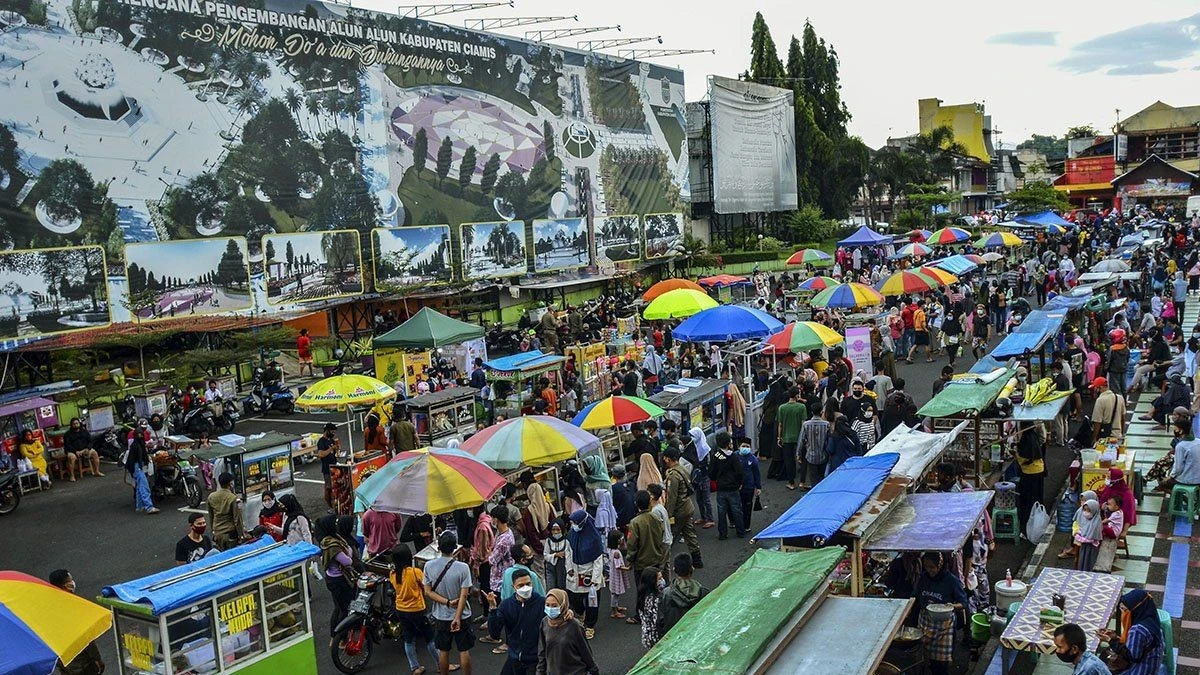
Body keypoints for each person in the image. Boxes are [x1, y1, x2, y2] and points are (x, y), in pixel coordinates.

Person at [423, 532, 474, 675]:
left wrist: (447, 602)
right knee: (464, 650)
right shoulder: (463, 567)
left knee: (443, 650)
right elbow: (464, 595)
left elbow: (428, 592)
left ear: (439, 547)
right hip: (462, 615)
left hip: (441, 615)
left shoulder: (429, 566)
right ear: (454, 548)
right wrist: (457, 617)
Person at [389, 546, 441, 675]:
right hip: (417, 610)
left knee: (409, 639)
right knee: (430, 638)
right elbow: (426, 586)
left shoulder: (392, 574)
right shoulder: (414, 572)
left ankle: (414, 667)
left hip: (401, 609)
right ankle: (441, 664)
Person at [914, 551, 967, 675]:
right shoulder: (923, 578)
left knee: (940, 665)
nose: (929, 570)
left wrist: (952, 606)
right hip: (925, 622)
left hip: (944, 626)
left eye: (932, 567)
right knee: (925, 659)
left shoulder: (951, 581)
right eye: (926, 567)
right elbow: (915, 595)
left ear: (940, 565)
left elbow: (963, 602)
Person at [486, 568, 544, 674]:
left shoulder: (542, 603)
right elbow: (494, 633)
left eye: (528, 584)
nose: (525, 588)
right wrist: (493, 609)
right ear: (513, 587)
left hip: (536, 661)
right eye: (521, 585)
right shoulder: (506, 605)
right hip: (514, 658)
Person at [48, 569, 105, 675]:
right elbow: (85, 636)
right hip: (82, 664)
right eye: (70, 580)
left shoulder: (49, 605)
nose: (72, 583)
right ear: (64, 585)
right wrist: (97, 659)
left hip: (64, 662)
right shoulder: (72, 605)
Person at [1097, 590, 1164, 675]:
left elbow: (1131, 657)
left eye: (1125, 610)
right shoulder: (1151, 618)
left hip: (1140, 670)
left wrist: (1111, 641)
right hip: (1153, 664)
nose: (1123, 613)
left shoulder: (1137, 630)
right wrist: (1115, 638)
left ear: (1135, 610)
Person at [537, 588, 600, 675]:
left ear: (562, 605)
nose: (550, 608)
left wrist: (594, 670)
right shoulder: (544, 623)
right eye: (547, 605)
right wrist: (540, 672)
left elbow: (585, 651)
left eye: (554, 605)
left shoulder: (574, 625)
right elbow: (542, 651)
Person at [564, 509, 605, 639]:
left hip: (590, 572)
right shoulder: (571, 535)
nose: (573, 525)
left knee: (592, 602)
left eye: (575, 523)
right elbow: (568, 552)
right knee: (575, 599)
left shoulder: (594, 538)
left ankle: (590, 625)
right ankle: (580, 615)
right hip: (575, 571)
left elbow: (598, 560)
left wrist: (595, 578)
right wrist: (569, 568)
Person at [626, 491, 665, 624]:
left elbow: (632, 544)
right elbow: (661, 535)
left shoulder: (635, 522)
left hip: (641, 562)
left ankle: (640, 614)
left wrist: (630, 559)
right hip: (656, 558)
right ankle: (657, 609)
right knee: (655, 587)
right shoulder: (655, 517)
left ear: (636, 504)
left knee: (642, 589)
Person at [318, 515, 360, 639]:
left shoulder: (328, 541)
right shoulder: (333, 546)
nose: (337, 524)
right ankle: (340, 638)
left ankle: (334, 636)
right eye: (334, 522)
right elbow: (348, 561)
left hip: (332, 579)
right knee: (344, 609)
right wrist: (349, 551)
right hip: (340, 581)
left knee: (338, 608)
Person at [661, 448, 703, 568]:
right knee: (689, 533)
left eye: (665, 457)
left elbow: (672, 497)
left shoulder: (673, 476)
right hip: (687, 507)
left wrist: (668, 515)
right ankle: (697, 560)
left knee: (670, 537)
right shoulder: (682, 468)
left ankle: (663, 564)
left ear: (668, 458)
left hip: (679, 511)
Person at [656, 553, 709, 636]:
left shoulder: (666, 594)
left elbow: (661, 619)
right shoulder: (703, 592)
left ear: (674, 569)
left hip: (674, 635)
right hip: (697, 634)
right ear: (692, 568)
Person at [708, 432, 745, 540]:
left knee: (721, 511)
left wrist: (716, 479)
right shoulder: (733, 456)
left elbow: (711, 473)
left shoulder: (716, 456)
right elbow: (739, 472)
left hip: (721, 488)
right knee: (737, 510)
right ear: (729, 443)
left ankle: (723, 534)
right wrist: (739, 483)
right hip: (733, 487)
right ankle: (740, 532)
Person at [1014, 422, 1047, 536]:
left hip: (1030, 473)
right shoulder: (1033, 436)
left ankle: (1027, 524)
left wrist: (1016, 454)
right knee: (1036, 498)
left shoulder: (1026, 439)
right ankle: (1036, 523)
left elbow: (1025, 458)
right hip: (1038, 471)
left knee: (1027, 499)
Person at [776, 386, 807, 490]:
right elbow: (803, 423)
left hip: (787, 437)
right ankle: (802, 481)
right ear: (797, 395)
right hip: (799, 437)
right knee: (802, 459)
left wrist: (779, 437)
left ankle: (791, 482)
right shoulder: (802, 407)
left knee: (789, 461)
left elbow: (780, 424)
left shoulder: (782, 408)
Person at [125, 428, 158, 514]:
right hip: (138, 467)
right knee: (144, 487)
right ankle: (149, 507)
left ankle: (139, 506)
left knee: (140, 486)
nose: (140, 436)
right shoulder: (137, 446)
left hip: (137, 467)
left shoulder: (136, 445)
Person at [207, 472, 243, 551]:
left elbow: (211, 516)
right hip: (230, 534)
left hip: (217, 533)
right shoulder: (233, 498)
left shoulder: (211, 496)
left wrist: (213, 530)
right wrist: (241, 536)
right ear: (230, 483)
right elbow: (237, 519)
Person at [636, 567, 665, 648]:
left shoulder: (643, 595)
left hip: (647, 636)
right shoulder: (653, 600)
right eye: (659, 578)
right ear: (652, 582)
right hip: (656, 639)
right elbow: (658, 621)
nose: (662, 580)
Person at [736, 439, 762, 532]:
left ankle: (746, 526)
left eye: (747, 447)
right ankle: (737, 523)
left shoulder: (753, 459)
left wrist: (758, 487)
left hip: (749, 487)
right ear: (739, 447)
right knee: (737, 507)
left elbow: (756, 474)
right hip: (736, 487)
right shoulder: (734, 457)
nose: (745, 448)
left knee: (747, 507)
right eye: (744, 446)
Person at [605, 530, 630, 620]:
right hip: (617, 575)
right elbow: (618, 566)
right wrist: (628, 568)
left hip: (613, 574)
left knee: (615, 593)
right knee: (615, 593)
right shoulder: (616, 553)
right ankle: (614, 611)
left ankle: (616, 606)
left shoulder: (611, 550)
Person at [1074, 498, 1103, 572]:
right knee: (1082, 561)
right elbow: (1082, 529)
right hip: (1084, 546)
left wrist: (1080, 538)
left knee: (1089, 563)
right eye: (1085, 510)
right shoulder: (1086, 520)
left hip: (1091, 548)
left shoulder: (1096, 522)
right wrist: (1078, 533)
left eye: (1088, 510)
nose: (1086, 512)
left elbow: (1092, 538)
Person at [317, 423, 340, 508]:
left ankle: (335, 504)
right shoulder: (321, 442)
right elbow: (321, 454)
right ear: (327, 431)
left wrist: (337, 449)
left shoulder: (331, 440)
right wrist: (331, 448)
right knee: (328, 488)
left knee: (335, 487)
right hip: (327, 468)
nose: (333, 433)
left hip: (334, 466)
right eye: (332, 431)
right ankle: (330, 506)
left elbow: (335, 453)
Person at [609, 464, 637, 529]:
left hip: (621, 521)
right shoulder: (632, 485)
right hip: (633, 517)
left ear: (613, 476)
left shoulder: (613, 488)